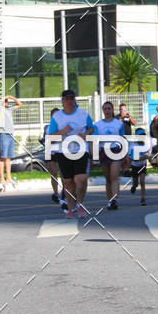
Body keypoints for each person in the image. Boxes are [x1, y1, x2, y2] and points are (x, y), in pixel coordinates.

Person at [46, 89, 94, 219]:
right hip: (64, 151)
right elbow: (50, 135)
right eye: (67, 99)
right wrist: (63, 131)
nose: (69, 101)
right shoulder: (57, 117)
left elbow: (91, 127)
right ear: (62, 101)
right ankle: (71, 208)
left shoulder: (83, 114)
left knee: (81, 178)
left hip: (81, 150)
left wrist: (86, 134)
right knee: (68, 181)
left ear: (75, 100)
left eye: (72, 98)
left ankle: (80, 204)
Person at [94, 101, 125, 209]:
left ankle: (115, 200)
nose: (107, 111)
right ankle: (110, 200)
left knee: (114, 176)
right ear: (103, 110)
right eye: (105, 109)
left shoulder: (119, 123)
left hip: (116, 150)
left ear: (112, 110)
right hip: (104, 151)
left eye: (109, 109)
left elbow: (122, 138)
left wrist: (125, 154)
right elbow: (95, 139)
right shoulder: (98, 125)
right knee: (108, 178)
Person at [40, 108, 66, 207]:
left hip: (60, 150)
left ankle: (65, 191)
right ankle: (55, 193)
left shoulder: (63, 126)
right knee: (53, 173)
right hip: (50, 151)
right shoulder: (48, 127)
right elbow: (46, 139)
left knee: (63, 173)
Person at [0, 95, 22, 190]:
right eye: (5, 101)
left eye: (7, 101)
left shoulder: (9, 109)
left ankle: (8, 177)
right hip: (3, 134)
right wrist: (4, 97)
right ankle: (1, 177)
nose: (6, 103)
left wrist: (12, 98)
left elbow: (19, 104)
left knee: (8, 158)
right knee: (2, 157)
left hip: (10, 134)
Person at [129, 126, 150, 205]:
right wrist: (143, 157)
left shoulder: (146, 145)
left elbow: (148, 155)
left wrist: (149, 157)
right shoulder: (134, 146)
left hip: (142, 166)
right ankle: (134, 186)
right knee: (136, 183)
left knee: (142, 182)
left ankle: (143, 199)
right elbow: (134, 158)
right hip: (135, 166)